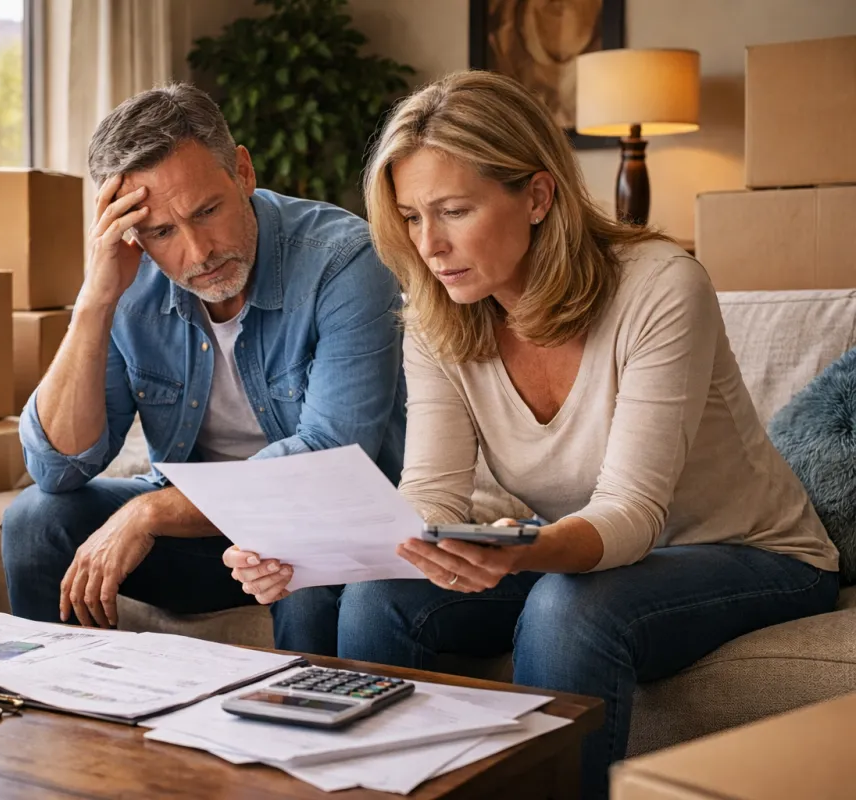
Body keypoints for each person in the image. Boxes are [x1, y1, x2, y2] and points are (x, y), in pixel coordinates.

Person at [222, 71, 840, 799]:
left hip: (748, 553)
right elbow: (430, 492)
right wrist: (311, 558)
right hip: (573, 548)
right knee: (378, 602)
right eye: (412, 217)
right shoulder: (438, 314)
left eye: (453, 211)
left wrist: (529, 553)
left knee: (568, 608)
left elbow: (632, 512)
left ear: (539, 196)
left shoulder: (662, 286)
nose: (430, 245)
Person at [2, 83, 406, 637]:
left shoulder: (344, 260)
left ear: (242, 171)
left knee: (308, 586)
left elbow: (325, 464)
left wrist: (150, 513)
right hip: (203, 538)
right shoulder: (128, 278)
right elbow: (57, 467)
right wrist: (95, 303)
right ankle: (62, 710)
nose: (198, 253)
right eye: (162, 232)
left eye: (207, 211)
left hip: (315, 524)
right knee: (35, 520)